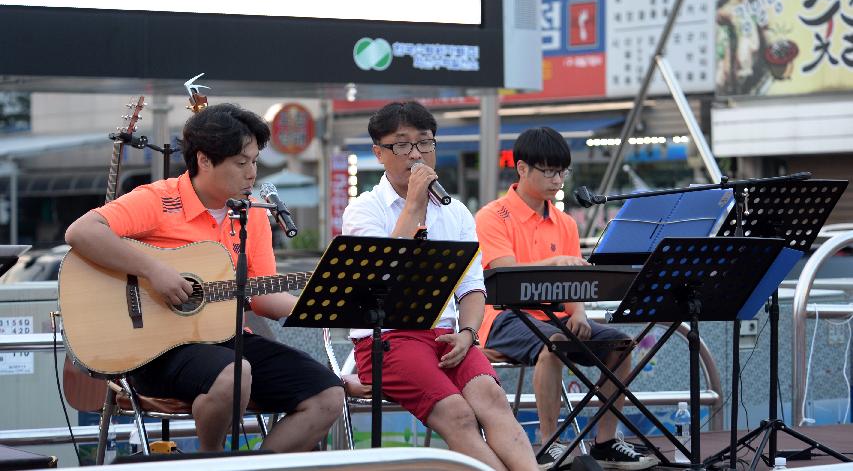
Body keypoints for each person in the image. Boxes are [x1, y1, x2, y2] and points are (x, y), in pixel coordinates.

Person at [65, 103, 344, 453]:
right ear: (205, 160)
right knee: (234, 377)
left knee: (328, 395)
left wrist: (321, 304)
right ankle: (211, 460)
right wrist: (154, 270)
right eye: (241, 163)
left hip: (228, 340)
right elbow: (82, 232)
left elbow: (261, 296)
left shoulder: (253, 216)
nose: (252, 173)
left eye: (255, 161)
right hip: (155, 348)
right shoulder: (160, 199)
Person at [342, 101, 538, 471]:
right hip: (387, 338)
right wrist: (414, 202)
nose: (415, 153)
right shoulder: (364, 210)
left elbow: (472, 287)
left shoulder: (456, 212)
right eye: (401, 145)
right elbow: (381, 272)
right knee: (457, 414)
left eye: (424, 143)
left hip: (448, 336)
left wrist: (468, 333)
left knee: (492, 399)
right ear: (379, 153)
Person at [475, 127, 656, 471]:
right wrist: (553, 263)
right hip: (500, 317)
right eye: (548, 171)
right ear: (522, 168)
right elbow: (505, 278)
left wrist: (581, 314)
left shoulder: (566, 223)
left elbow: (576, 283)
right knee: (555, 343)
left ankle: (604, 443)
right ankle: (548, 445)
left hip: (553, 319)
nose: (557, 179)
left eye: (562, 171)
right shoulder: (492, 216)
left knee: (623, 345)